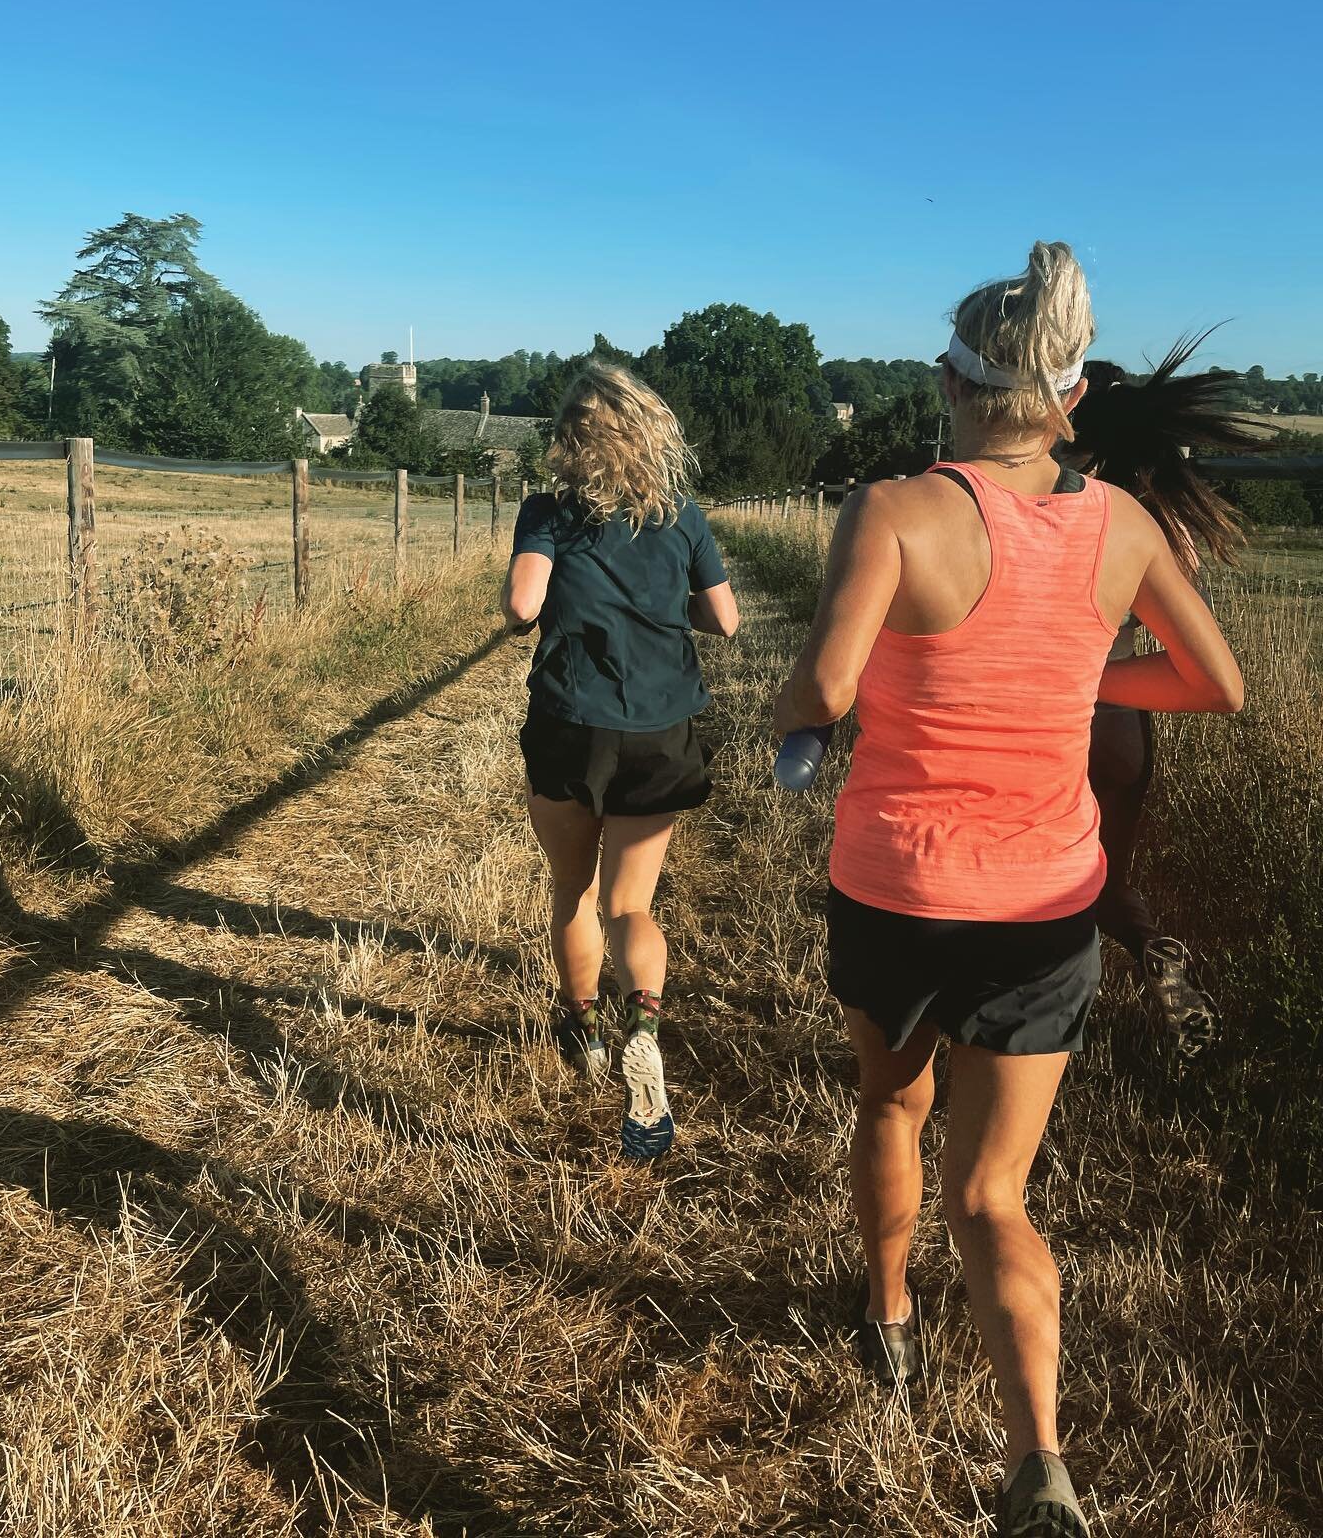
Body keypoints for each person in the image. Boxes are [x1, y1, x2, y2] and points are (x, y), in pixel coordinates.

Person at [773, 243, 1243, 1537]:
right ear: (1073, 397)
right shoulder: (1126, 528)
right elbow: (1215, 686)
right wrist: (1080, 675)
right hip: (1047, 906)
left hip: (897, 891)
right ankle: (1039, 1454)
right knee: (997, 1194)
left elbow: (822, 689)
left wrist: (787, 712)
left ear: (949, 381)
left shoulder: (894, 511)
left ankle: (888, 1316)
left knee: (891, 1107)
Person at [501, 361, 738, 1161]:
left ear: (569, 443)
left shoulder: (548, 512)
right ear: (650, 433)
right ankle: (644, 1015)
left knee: (574, 887)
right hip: (659, 730)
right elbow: (728, 622)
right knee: (631, 904)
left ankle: (585, 1029)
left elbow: (522, 605)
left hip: (570, 724)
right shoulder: (682, 517)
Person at [1067, 340, 1258, 1059]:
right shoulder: (1157, 523)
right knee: (1106, 876)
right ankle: (1153, 949)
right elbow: (1191, 654)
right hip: (1122, 728)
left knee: (1042, 879)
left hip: (1050, 717)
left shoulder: (1057, 509)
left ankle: (1054, 1026)